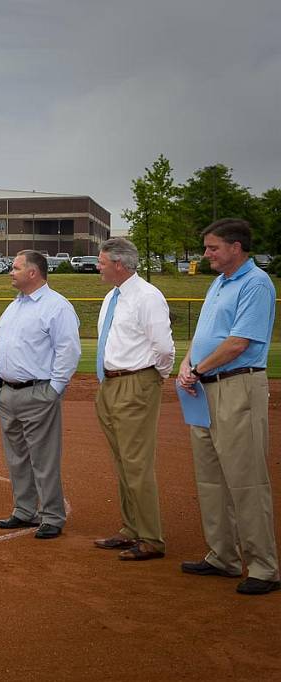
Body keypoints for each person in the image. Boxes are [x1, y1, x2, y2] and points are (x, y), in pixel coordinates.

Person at [177, 218, 279, 595]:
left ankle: (265, 567)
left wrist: (199, 369)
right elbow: (204, 335)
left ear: (236, 247)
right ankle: (223, 556)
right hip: (205, 387)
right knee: (210, 477)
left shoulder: (256, 284)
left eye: (212, 248)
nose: (206, 255)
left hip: (237, 385)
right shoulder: (218, 283)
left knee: (247, 479)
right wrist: (188, 364)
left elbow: (239, 342)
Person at [93, 238, 175, 561]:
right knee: (122, 462)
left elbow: (164, 349)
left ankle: (152, 538)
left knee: (137, 464)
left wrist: (154, 379)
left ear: (119, 264)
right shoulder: (112, 297)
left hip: (136, 382)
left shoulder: (147, 297)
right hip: (110, 385)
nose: (97, 266)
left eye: (101, 261)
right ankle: (131, 529)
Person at [0, 250, 81, 539]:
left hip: (38, 392)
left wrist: (54, 389)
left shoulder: (57, 306)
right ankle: (24, 510)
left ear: (33, 272)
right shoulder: (14, 306)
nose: (10, 271)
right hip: (8, 393)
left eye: (16, 267)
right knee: (16, 457)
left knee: (43, 458)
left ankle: (52, 516)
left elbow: (68, 351)